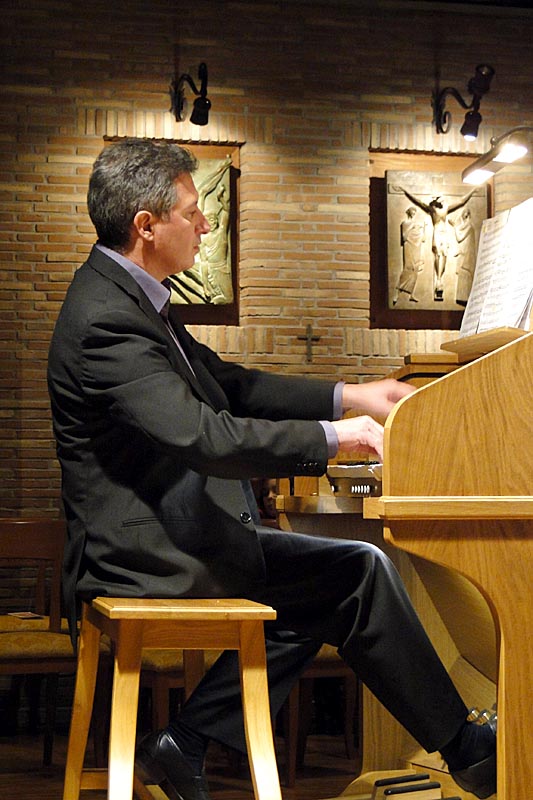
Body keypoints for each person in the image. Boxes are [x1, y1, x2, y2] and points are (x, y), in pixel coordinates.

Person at [47, 139, 496, 800]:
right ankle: (466, 750)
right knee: (352, 573)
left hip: (165, 536)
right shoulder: (106, 319)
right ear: (146, 225)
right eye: (192, 212)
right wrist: (335, 438)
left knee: (336, 578)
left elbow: (230, 384)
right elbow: (203, 436)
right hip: (137, 555)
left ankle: (186, 740)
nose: (205, 225)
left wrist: (350, 395)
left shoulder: (131, 298)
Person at [395, 185, 476, 302]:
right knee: (438, 254)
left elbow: (461, 201)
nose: (441, 200)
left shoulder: (446, 209)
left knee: (445, 255)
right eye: (439, 198)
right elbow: (418, 201)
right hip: (437, 233)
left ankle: (440, 279)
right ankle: (438, 280)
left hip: (445, 233)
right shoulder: (432, 209)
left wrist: (472, 191)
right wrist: (405, 191)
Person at [392, 206, 425, 305]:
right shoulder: (405, 223)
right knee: (408, 268)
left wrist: (423, 228)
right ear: (409, 212)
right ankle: (397, 293)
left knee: (415, 269)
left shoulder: (417, 224)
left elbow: (422, 238)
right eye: (412, 212)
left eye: (415, 212)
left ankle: (411, 295)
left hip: (416, 247)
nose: (414, 214)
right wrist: (412, 226)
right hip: (408, 246)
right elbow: (404, 236)